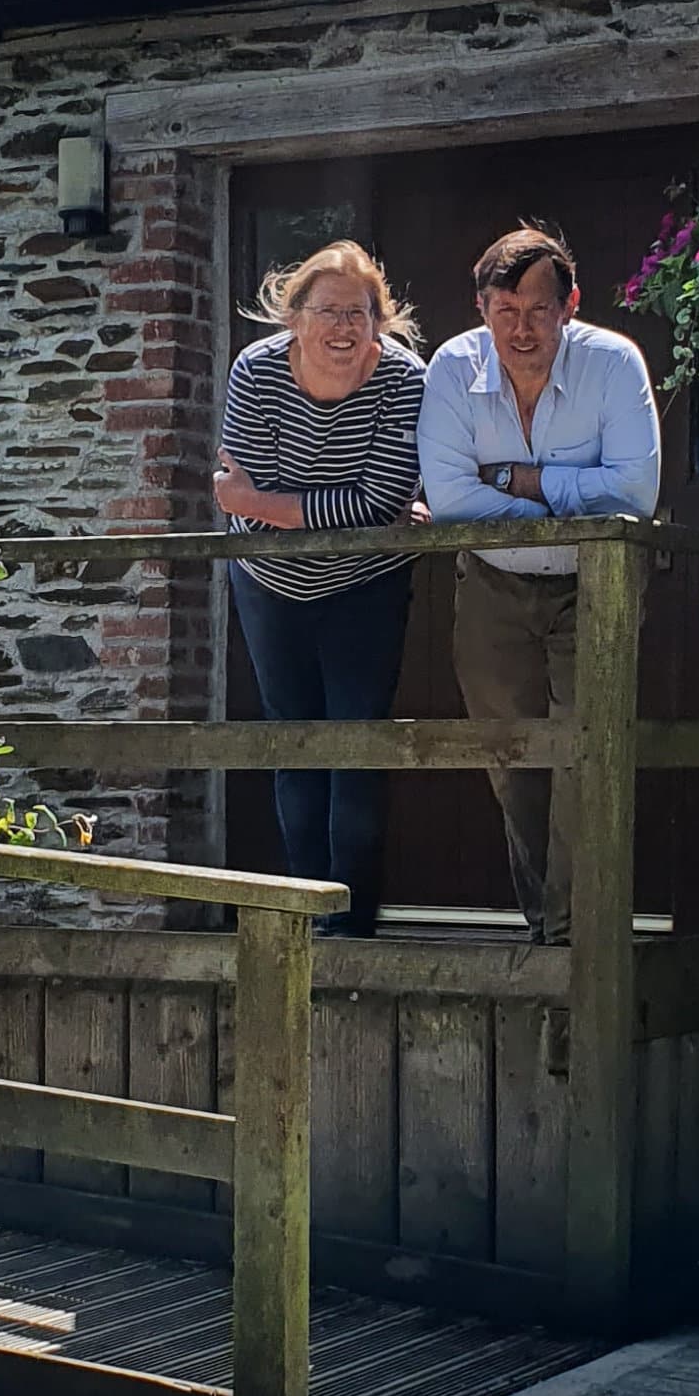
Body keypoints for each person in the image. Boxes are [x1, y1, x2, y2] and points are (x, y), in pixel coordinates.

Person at [418, 226, 660, 944]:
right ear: (481, 307)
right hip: (493, 585)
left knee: (585, 753)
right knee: (511, 757)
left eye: (538, 311)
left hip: (596, 583)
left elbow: (635, 495)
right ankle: (546, 920)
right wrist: (570, 495)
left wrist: (520, 479)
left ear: (570, 305)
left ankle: (571, 939)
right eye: (505, 311)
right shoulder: (452, 367)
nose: (521, 330)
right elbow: (454, 501)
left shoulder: (613, 363)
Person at [213, 241, 425, 938]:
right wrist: (265, 501)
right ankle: (304, 918)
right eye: (327, 311)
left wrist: (269, 500)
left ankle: (354, 924)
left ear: (379, 320)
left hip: (366, 585)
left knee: (356, 751)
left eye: (358, 313)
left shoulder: (403, 380)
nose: (343, 328)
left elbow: (381, 498)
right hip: (268, 586)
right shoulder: (257, 371)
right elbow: (238, 507)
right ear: (294, 317)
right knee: (294, 747)